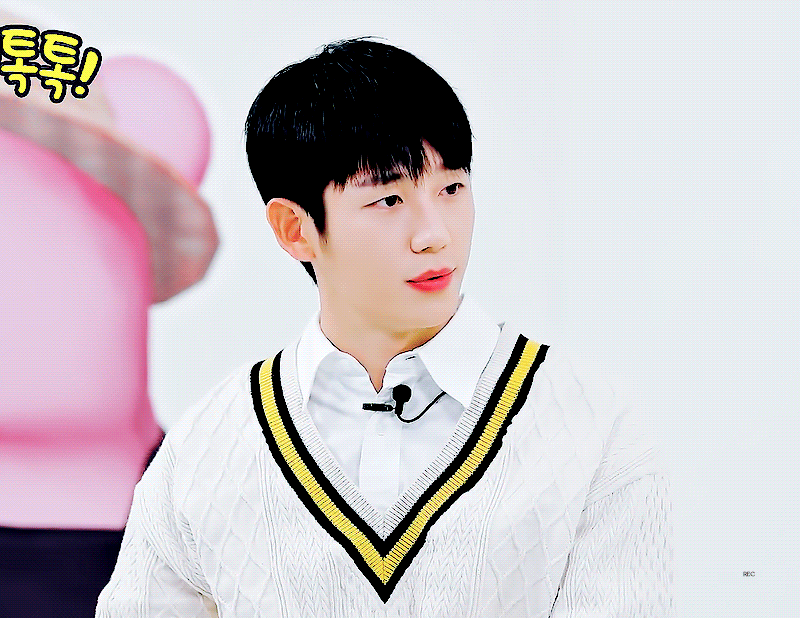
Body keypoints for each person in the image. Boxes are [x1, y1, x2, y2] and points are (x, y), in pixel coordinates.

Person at [96, 38, 672, 617]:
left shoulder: (588, 423)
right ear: (295, 229)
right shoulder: (208, 448)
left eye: (451, 189)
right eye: (390, 200)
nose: (434, 235)